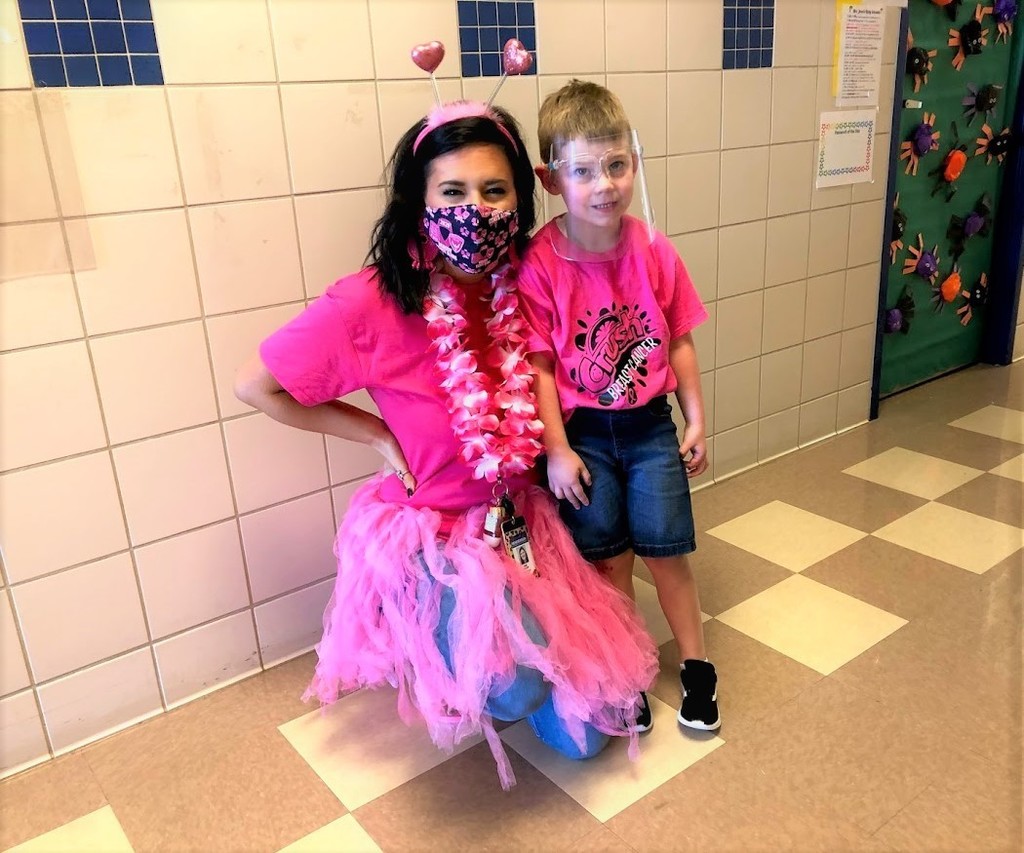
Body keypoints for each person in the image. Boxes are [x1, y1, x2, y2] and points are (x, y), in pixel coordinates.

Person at [234, 98, 658, 788]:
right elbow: (257, 386)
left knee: (586, 739)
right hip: (435, 536)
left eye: (494, 191)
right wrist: (374, 431)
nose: (476, 209)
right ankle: (463, 647)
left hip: (519, 521)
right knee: (518, 689)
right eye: (453, 192)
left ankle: (541, 658)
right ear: (418, 200)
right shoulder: (370, 300)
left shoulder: (525, 280)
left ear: (521, 198)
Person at [516, 80, 721, 733]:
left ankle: (696, 667)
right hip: (584, 436)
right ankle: (623, 669)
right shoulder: (541, 264)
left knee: (667, 550)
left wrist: (696, 417)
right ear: (552, 179)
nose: (604, 184)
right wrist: (556, 448)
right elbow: (541, 365)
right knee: (607, 558)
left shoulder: (656, 251)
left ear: (634, 162)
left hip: (650, 429)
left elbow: (680, 337)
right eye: (582, 170)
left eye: (616, 164)